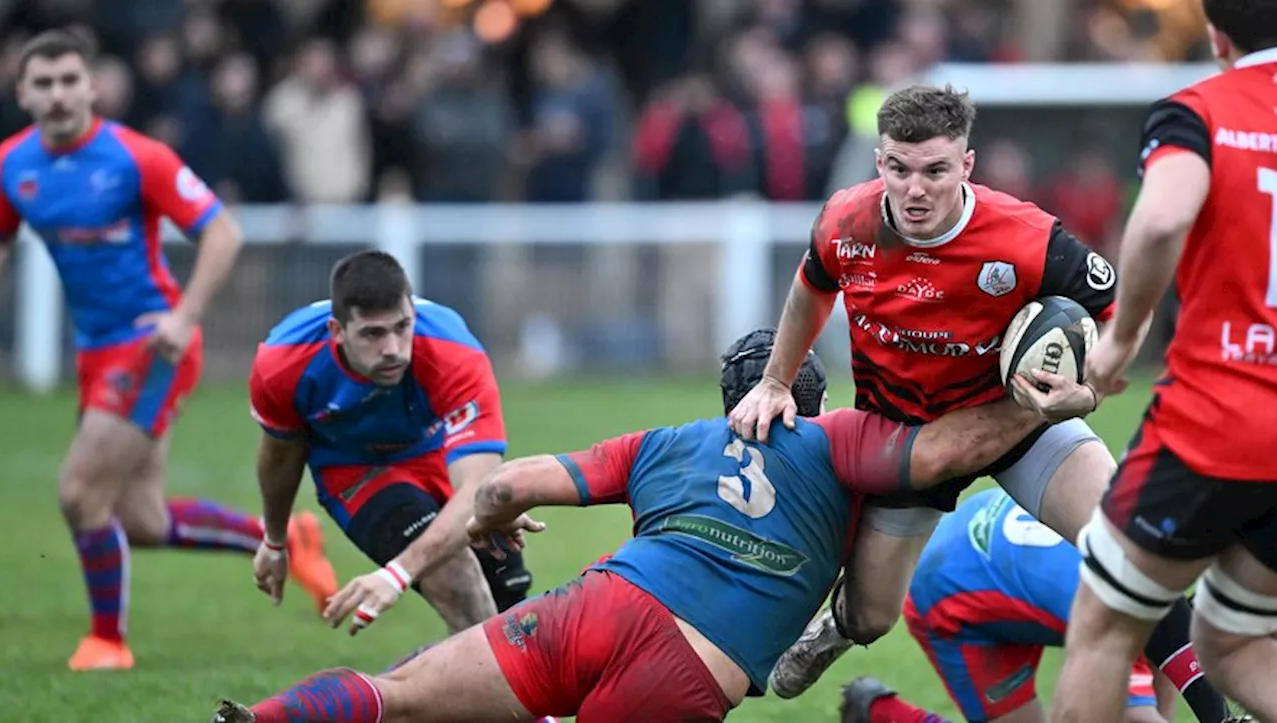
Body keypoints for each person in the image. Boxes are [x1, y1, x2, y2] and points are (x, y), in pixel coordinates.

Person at [209, 328, 1098, 723]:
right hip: (686, 666)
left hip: (594, 606)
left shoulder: (665, 441)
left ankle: (262, 717)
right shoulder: (843, 446)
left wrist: (498, 518)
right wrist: (1048, 404)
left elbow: (506, 484)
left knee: (396, 695)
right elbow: (942, 455)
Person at [726, 83, 1198, 702]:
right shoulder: (847, 219)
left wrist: (1083, 394)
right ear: (880, 162)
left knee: (1129, 553)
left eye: (935, 170)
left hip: (1022, 422)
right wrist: (774, 382)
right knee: (872, 616)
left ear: (966, 165)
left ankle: (1225, 715)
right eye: (899, 168)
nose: (916, 188)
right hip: (906, 437)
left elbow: (1119, 318)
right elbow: (812, 286)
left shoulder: (1027, 236)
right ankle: (834, 630)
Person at [0, 29, 337, 671]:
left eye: (70, 79)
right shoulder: (12, 166)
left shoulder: (135, 156)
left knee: (78, 493)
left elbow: (222, 232)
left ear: (92, 86)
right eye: (43, 84)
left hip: (152, 346)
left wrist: (184, 317)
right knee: (142, 522)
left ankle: (108, 644)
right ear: (22, 94)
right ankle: (287, 537)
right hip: (96, 351)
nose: (58, 94)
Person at [1050, 2, 1277, 721]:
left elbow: (1164, 215)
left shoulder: (1199, 109)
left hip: (1217, 425)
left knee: (1103, 627)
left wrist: (1120, 341)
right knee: (1232, 638)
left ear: (1217, 36)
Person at [247, 249, 534, 634]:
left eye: (402, 327)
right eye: (373, 334)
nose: (393, 348)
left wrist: (394, 576)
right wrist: (276, 542)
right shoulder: (284, 361)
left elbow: (479, 489)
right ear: (338, 331)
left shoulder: (454, 351)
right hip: (353, 471)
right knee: (452, 572)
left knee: (507, 590)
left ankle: (465, 683)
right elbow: (281, 456)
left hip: (436, 453)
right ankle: (499, 688)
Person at [838, 488, 1238, 723]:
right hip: (951, 592)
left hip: (993, 536)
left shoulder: (1149, 531)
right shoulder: (1116, 595)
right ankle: (884, 714)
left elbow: (1172, 647)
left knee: (1161, 635)